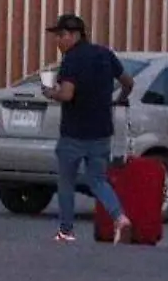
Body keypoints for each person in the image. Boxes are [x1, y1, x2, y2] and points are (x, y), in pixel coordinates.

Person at [42, 13, 135, 244]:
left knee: (66, 182)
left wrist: (50, 92)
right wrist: (119, 98)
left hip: (74, 132)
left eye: (61, 35)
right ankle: (119, 217)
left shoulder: (71, 59)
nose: (58, 41)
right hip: (102, 130)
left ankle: (66, 231)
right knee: (98, 180)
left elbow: (67, 94)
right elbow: (128, 82)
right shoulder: (105, 54)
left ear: (75, 35)